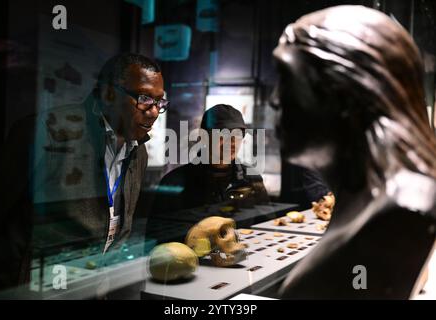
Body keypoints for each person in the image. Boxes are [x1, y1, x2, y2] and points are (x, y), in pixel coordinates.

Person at [271, 5, 436, 299]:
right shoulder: (368, 198)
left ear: (344, 91)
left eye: (287, 78)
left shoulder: (400, 210)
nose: (274, 100)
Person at [0, 53, 166, 296]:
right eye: (144, 98)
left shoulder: (139, 150)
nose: (154, 112)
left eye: (160, 102)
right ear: (109, 94)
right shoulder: (47, 132)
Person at [151, 104, 269, 215]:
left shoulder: (251, 179)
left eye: (238, 134)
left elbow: (267, 224)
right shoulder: (175, 183)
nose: (232, 142)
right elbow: (158, 233)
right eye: (224, 134)